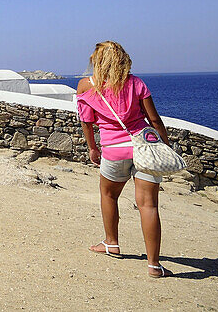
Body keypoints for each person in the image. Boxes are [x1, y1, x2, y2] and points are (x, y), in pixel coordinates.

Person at [76, 41, 171, 278]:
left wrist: (92, 148)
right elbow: (155, 120)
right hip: (145, 149)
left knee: (109, 195)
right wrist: (166, 145)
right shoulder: (136, 83)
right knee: (148, 205)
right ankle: (154, 265)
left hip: (114, 150)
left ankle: (111, 243)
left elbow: (86, 122)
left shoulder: (86, 85)